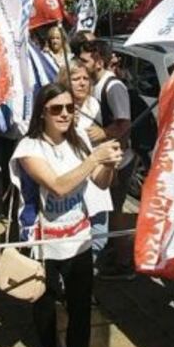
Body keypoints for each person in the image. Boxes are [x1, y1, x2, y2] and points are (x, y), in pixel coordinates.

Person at [11, 82, 121, 347]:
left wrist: (108, 164)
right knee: (44, 305)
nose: (64, 114)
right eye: (56, 109)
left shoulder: (80, 140)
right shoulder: (29, 147)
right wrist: (95, 159)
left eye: (70, 108)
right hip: (43, 243)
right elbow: (58, 187)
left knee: (81, 311)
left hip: (79, 239)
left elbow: (100, 182)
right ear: (42, 113)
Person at [78, 39, 134, 279]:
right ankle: (112, 253)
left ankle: (125, 265)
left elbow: (125, 123)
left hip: (119, 162)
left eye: (84, 60)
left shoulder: (114, 87)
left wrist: (105, 132)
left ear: (98, 61)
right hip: (107, 160)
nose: (80, 65)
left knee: (116, 213)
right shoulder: (97, 83)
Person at [61, 59, 112, 265]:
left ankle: (88, 281)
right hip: (71, 181)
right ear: (66, 81)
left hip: (96, 181)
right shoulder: (58, 108)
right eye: (76, 79)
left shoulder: (93, 105)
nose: (82, 83)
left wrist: (104, 134)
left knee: (100, 236)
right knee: (73, 241)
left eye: (85, 78)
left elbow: (105, 136)